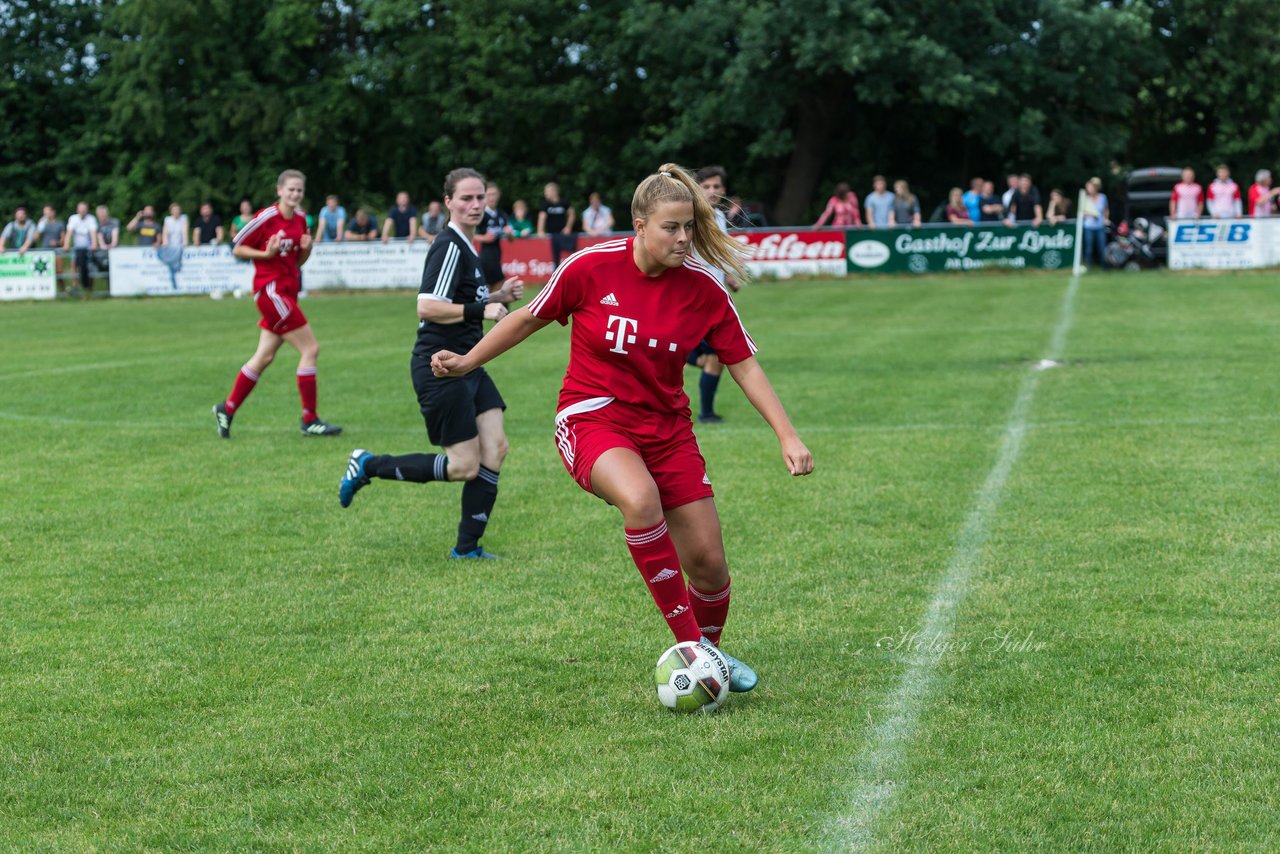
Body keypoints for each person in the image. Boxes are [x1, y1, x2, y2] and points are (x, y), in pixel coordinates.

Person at [426, 163, 814, 692]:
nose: (683, 239)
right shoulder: (590, 267)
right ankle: (693, 653)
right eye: (671, 228)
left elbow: (743, 363)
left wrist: (787, 435)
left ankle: (710, 658)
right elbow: (527, 318)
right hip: (593, 415)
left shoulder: (704, 288)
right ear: (638, 224)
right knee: (640, 498)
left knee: (709, 566)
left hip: (668, 429)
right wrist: (469, 361)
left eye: (690, 228)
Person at [336, 167, 524, 560]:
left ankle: (467, 548)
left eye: (480, 197)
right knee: (463, 466)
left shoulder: (467, 247)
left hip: (468, 362)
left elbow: (465, 300)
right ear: (449, 203)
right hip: (440, 364)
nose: (476, 205)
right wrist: (484, 307)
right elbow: (427, 306)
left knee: (497, 446)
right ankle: (369, 465)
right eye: (467, 198)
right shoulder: (450, 245)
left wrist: (499, 294)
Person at [212, 169, 342, 438]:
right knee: (311, 348)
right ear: (279, 190)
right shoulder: (267, 217)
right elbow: (236, 246)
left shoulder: (301, 220)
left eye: (299, 190)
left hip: (287, 291)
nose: (295, 194)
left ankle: (227, 408)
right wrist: (265, 253)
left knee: (264, 357)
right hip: (271, 293)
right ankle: (310, 420)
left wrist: (307, 249)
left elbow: (297, 262)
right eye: (291, 189)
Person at [685, 164, 740, 424]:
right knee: (716, 357)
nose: (712, 191)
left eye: (716, 186)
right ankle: (706, 413)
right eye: (706, 187)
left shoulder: (718, 216)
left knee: (714, 357)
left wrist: (728, 276)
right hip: (694, 301)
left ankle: (706, 412)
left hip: (714, 298)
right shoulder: (691, 217)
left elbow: (716, 254)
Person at [476, 184, 512, 285]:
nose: (492, 198)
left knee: (495, 287)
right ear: (485, 196)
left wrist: (509, 234)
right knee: (499, 285)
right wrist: (484, 238)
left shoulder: (501, 214)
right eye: (489, 195)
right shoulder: (480, 214)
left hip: (497, 254)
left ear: (499, 195)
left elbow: (511, 240)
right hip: (484, 255)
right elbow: (468, 235)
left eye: (494, 194)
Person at [536, 182, 576, 269]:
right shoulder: (545, 204)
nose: (545, 194)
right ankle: (555, 275)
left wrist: (568, 227)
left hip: (563, 234)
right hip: (552, 235)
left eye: (547, 191)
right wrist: (540, 230)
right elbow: (542, 217)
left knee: (569, 253)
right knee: (555, 258)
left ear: (554, 191)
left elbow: (572, 214)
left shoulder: (564, 202)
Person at [63, 201, 99, 296]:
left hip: (88, 248)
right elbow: (69, 232)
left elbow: (93, 232)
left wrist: (94, 244)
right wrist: (66, 244)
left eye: (84, 209)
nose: (83, 211)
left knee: (90, 267)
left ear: (87, 210)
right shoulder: (73, 218)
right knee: (74, 264)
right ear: (77, 210)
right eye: (81, 209)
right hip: (77, 248)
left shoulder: (91, 219)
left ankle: (89, 289)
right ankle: (75, 286)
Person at [1080, 177, 1109, 269]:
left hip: (1100, 226)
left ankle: (1104, 267)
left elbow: (1106, 209)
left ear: (1095, 188)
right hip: (1088, 227)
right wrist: (1092, 214)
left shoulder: (1103, 197)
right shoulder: (1085, 198)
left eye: (1090, 187)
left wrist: (1106, 219)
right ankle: (1089, 266)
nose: (1088, 189)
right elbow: (1081, 212)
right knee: (1089, 249)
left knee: (1102, 248)